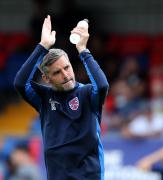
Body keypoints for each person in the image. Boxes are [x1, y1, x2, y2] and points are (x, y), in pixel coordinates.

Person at [14, 15, 109, 180]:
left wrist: (83, 50)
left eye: (67, 67)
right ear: (46, 78)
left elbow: (102, 86)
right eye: (57, 72)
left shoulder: (87, 93)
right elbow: (20, 83)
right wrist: (42, 46)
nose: (66, 75)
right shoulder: (43, 97)